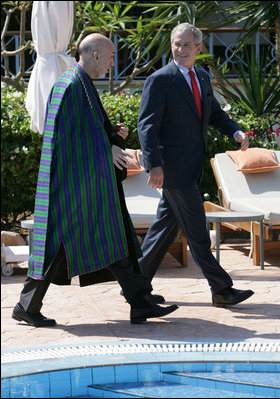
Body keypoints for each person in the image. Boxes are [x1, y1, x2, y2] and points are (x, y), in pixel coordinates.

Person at [12, 33, 178, 327]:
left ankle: (140, 301)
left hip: (85, 184)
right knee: (65, 245)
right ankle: (27, 305)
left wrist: (112, 135)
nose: (113, 63)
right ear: (97, 55)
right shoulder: (72, 85)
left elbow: (88, 130)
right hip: (73, 188)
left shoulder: (79, 83)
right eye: (112, 56)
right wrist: (107, 147)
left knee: (113, 239)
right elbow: (68, 139)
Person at [137, 23, 254, 307]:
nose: (181, 49)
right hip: (172, 169)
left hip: (191, 166)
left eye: (187, 45)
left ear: (199, 48)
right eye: (177, 44)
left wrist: (236, 132)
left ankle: (135, 285)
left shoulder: (201, 76)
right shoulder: (160, 79)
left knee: (163, 229)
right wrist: (154, 165)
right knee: (198, 231)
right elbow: (147, 125)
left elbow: (213, 113)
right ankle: (221, 288)